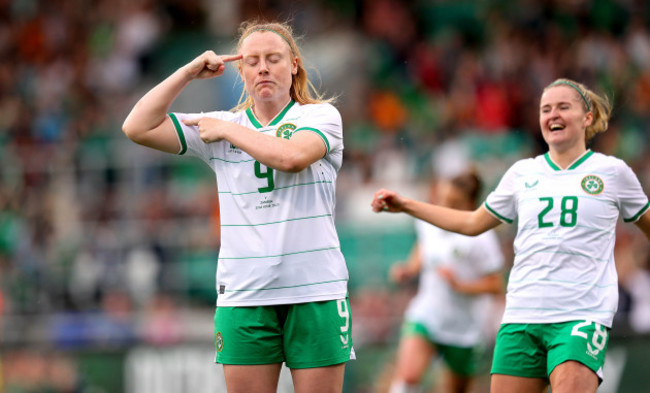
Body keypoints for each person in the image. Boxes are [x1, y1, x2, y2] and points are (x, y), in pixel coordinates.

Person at [371, 78, 650, 393]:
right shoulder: (522, 174)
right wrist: (407, 205)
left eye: (563, 107)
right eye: (546, 109)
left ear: (587, 118)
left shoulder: (613, 173)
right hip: (521, 317)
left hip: (581, 315)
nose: (552, 115)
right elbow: (472, 222)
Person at [122, 20, 353, 393]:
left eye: (273, 59)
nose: (263, 68)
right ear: (240, 70)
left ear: (293, 64)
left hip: (315, 292)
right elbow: (137, 127)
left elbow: (292, 157)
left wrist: (227, 130)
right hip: (245, 297)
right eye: (253, 61)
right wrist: (186, 74)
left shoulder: (320, 116)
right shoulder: (220, 125)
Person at [387, 170, 505, 393]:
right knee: (408, 378)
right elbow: (423, 247)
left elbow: (495, 284)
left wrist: (461, 285)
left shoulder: (482, 238)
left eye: (453, 203)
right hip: (427, 316)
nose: (443, 206)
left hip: (465, 329)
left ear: (470, 204)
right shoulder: (428, 223)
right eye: (441, 199)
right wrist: (409, 270)